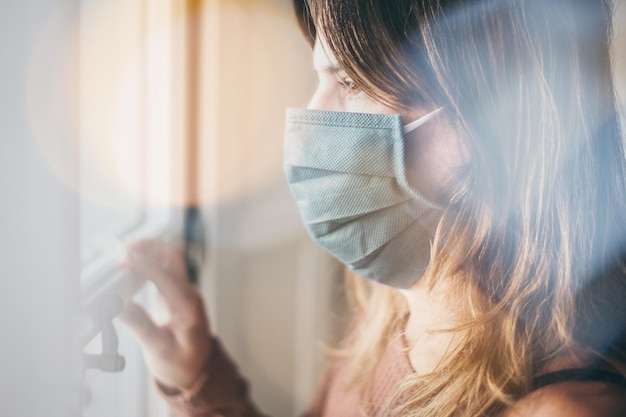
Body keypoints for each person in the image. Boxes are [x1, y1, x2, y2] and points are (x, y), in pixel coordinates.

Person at [120, 0, 626, 415]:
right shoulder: (392, 305)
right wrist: (198, 376)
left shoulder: (560, 408)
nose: (312, 117)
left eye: (350, 83)